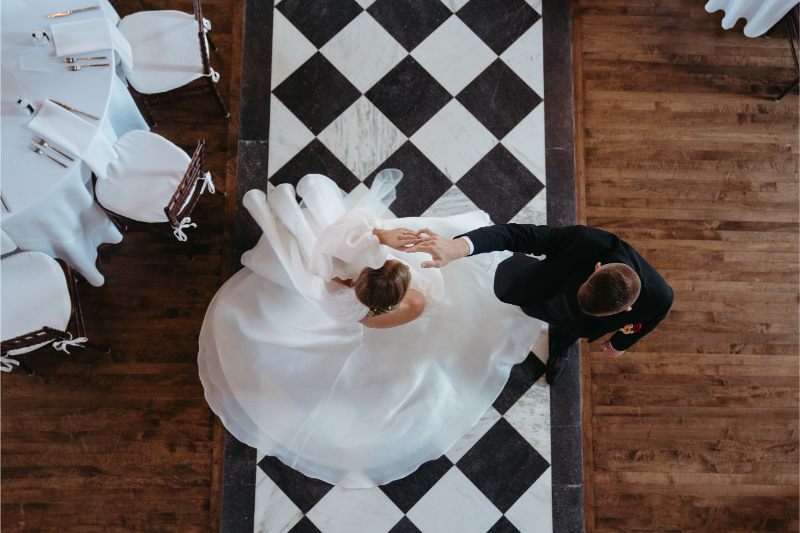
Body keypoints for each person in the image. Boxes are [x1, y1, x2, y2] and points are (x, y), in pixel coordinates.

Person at [197, 170, 544, 488]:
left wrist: (379, 235)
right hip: (356, 295)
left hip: (357, 272)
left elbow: (349, 238)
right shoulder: (362, 302)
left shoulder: (350, 270)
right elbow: (394, 305)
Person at [408, 223, 674, 385]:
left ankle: (560, 345)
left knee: (569, 330)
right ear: (596, 268)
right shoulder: (586, 242)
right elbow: (518, 235)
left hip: (579, 326)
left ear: (626, 309)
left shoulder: (660, 300)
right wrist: (459, 247)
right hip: (537, 290)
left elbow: (646, 323)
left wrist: (618, 344)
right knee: (498, 295)